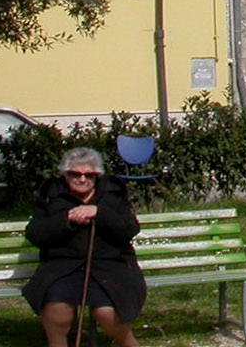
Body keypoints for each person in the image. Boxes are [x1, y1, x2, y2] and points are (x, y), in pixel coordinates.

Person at [22, 147, 147, 347]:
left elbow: (129, 229)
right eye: (75, 174)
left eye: (89, 175)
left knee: (106, 312)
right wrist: (67, 219)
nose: (82, 179)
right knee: (57, 307)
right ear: (65, 174)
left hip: (111, 266)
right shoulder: (52, 196)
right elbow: (35, 234)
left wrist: (99, 212)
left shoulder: (112, 195)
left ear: (97, 175)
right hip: (63, 267)